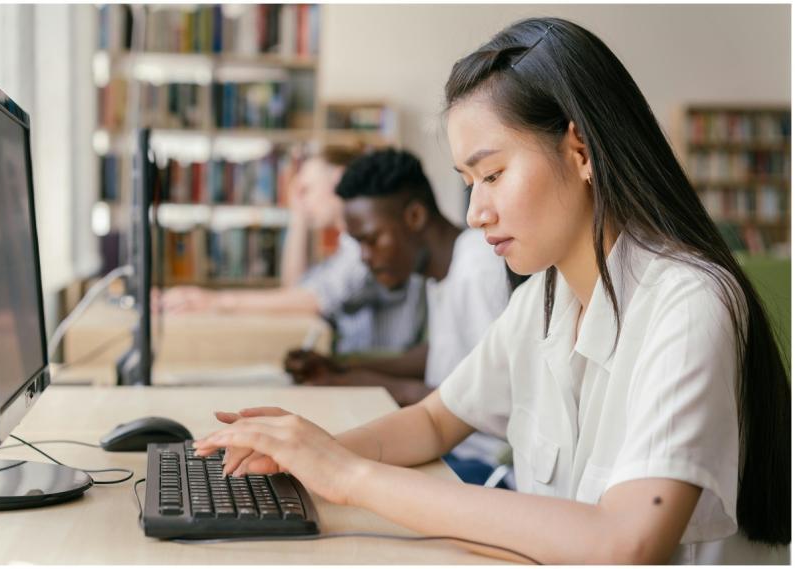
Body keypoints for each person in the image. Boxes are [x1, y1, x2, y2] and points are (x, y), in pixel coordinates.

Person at [193, 17, 791, 563]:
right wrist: (307, 456)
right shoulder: (543, 298)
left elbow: (625, 542)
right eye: (468, 182)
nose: (476, 212)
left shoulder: (688, 303)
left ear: (580, 151)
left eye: (493, 174)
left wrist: (350, 477)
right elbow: (433, 421)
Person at [283, 148, 518, 486]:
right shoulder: (441, 271)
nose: (365, 257)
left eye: (372, 239)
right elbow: (441, 357)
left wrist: (362, 381)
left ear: (414, 217)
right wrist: (343, 366)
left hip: (486, 464)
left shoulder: (477, 268)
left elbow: (490, 399)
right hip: (454, 449)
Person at [159, 146, 426, 355]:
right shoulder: (347, 247)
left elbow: (313, 300)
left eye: (306, 189)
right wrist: (298, 216)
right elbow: (296, 288)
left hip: (375, 371)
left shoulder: (367, 246)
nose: (299, 198)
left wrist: (215, 302)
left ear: (339, 179)